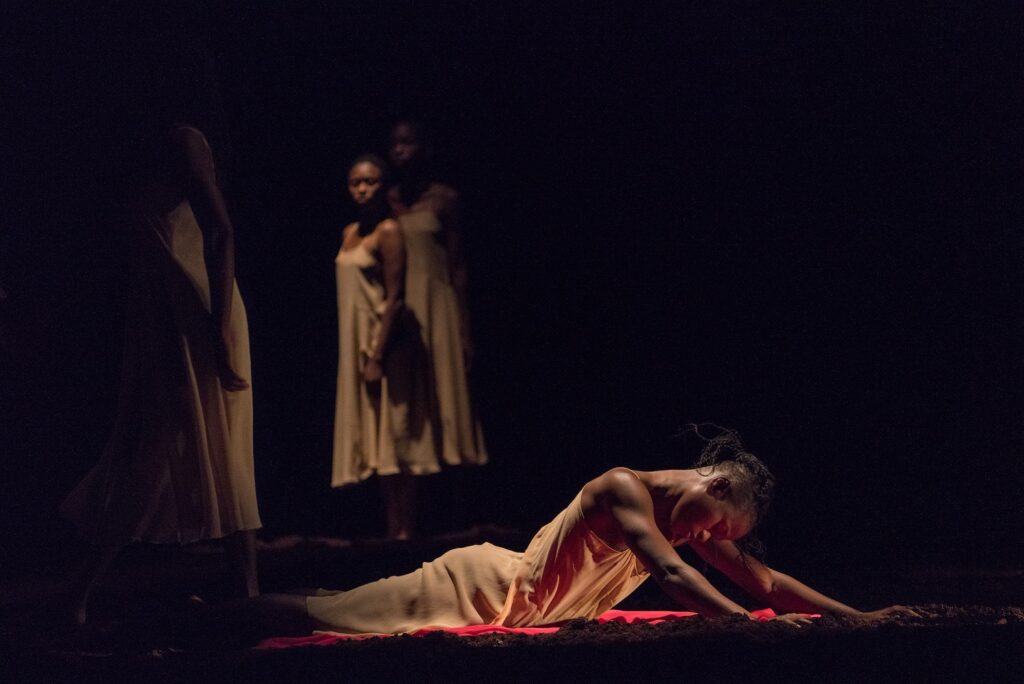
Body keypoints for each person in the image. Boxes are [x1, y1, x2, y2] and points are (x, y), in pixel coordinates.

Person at [224, 431, 913, 636]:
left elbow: (762, 581)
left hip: (521, 610)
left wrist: (862, 618)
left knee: (340, 604)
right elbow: (672, 578)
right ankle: (205, 618)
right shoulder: (625, 488)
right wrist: (749, 628)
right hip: (483, 590)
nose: (712, 537)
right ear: (715, 483)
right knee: (326, 618)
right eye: (719, 523)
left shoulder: (690, 522)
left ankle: (221, 613)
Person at [58, 37, 261, 625]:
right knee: (163, 444)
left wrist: (219, 328)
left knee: (187, 445)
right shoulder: (153, 147)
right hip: (170, 315)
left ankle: (83, 591)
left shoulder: (182, 139)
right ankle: (243, 590)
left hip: (201, 314)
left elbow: (221, 232)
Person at [331, 154, 436, 539]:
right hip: (356, 341)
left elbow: (395, 297)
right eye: (356, 183)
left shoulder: (389, 231)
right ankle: (391, 531)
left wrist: (377, 355)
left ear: (383, 185)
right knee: (375, 437)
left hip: (386, 345)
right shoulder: (349, 232)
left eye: (371, 182)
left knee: (395, 436)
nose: (362, 189)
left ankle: (404, 532)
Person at [387, 120, 487, 473]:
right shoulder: (389, 200)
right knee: (410, 400)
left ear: (424, 148)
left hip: (438, 301)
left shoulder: (445, 199)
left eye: (408, 142)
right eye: (395, 143)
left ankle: (460, 494)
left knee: (448, 393)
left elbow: (458, 265)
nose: (400, 150)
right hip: (403, 308)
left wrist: (464, 328)